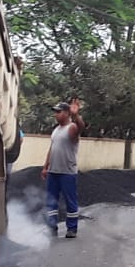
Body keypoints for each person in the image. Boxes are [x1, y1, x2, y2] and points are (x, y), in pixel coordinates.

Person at [41, 97, 85, 238]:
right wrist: (45, 166)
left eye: (59, 112)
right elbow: (52, 148)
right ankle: (52, 227)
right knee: (51, 201)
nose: (56, 114)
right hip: (53, 171)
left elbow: (80, 128)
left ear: (66, 113)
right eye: (55, 112)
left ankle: (72, 229)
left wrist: (76, 115)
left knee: (70, 201)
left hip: (67, 172)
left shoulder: (71, 128)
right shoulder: (56, 130)